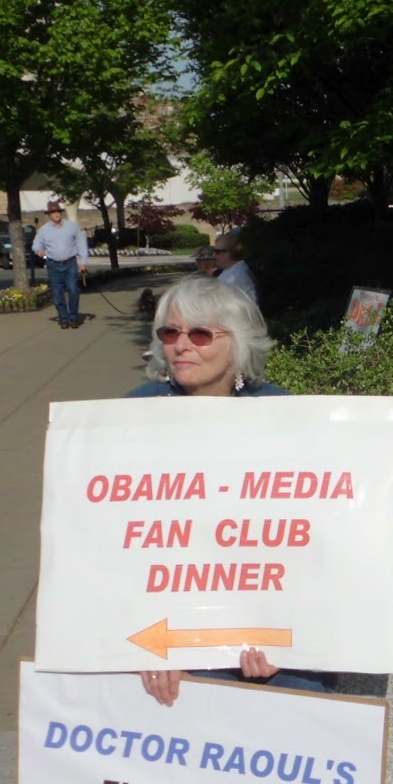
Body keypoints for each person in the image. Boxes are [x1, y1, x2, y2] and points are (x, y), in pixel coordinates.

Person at [130, 275, 335, 705]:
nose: (181, 345)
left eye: (200, 334)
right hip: (166, 623)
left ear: (238, 341)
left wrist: (285, 637)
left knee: (299, 698)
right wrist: (150, 647)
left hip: (264, 622)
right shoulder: (131, 416)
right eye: (170, 333)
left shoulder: (285, 414)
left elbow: (315, 540)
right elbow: (111, 547)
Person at [32, 200, 90, 328]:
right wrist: (39, 250)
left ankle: (73, 317)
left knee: (73, 289)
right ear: (49, 215)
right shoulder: (44, 230)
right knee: (57, 293)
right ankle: (64, 318)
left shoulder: (72, 226)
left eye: (58, 211)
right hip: (53, 264)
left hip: (70, 263)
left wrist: (83, 262)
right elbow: (35, 245)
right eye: (53, 212)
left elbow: (81, 244)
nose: (56, 214)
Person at [197, 228, 258, 304]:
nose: (214, 255)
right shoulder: (235, 270)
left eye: (217, 252)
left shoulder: (235, 277)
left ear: (228, 253)